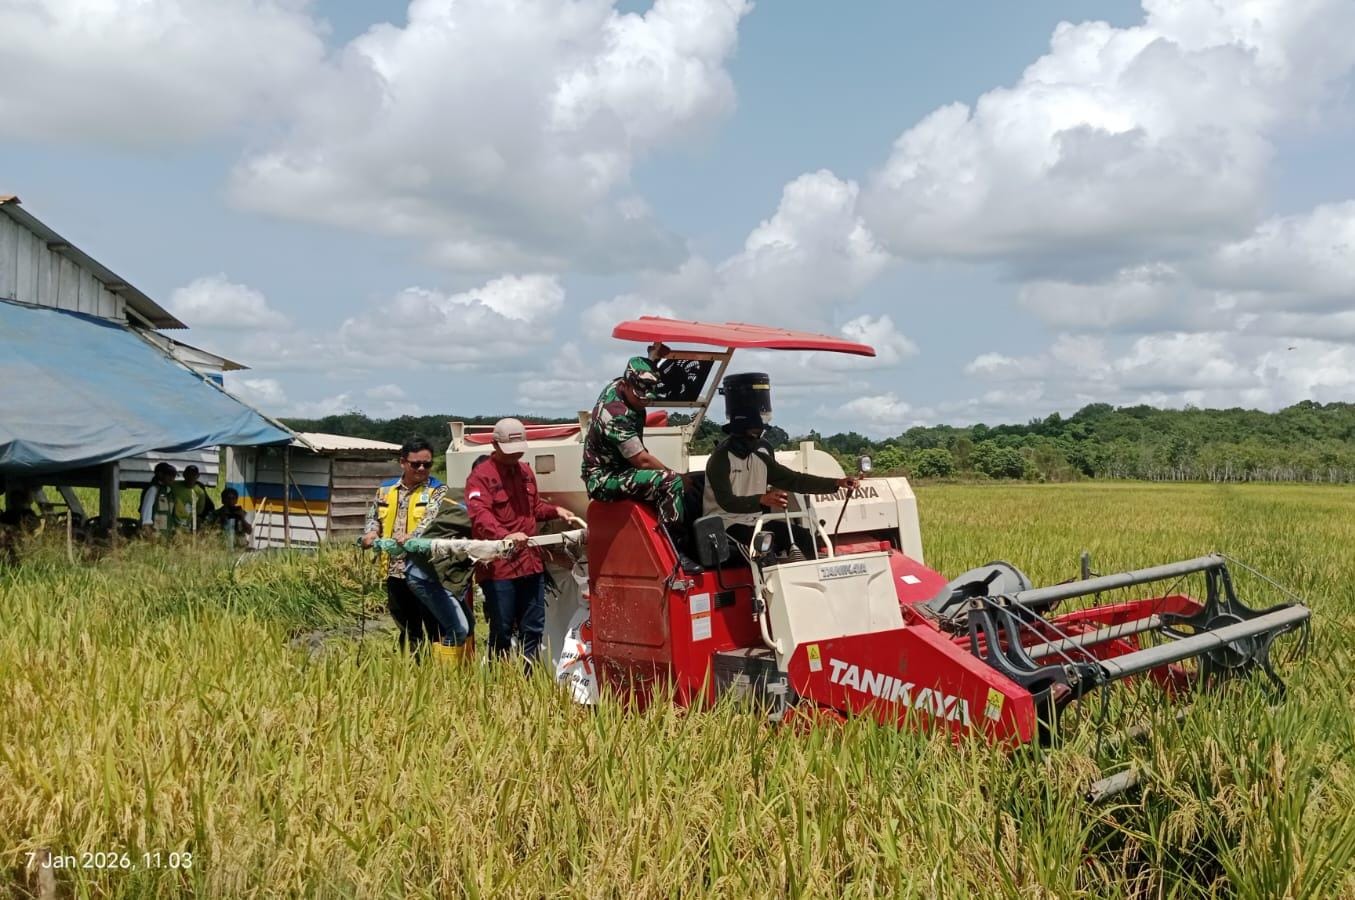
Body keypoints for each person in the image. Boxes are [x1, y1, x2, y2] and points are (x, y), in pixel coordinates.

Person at [466, 418, 580, 668]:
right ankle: (498, 677)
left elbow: (534, 508)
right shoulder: (481, 477)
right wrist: (504, 535)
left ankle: (529, 676)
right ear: (495, 444)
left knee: (533, 626)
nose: (515, 455)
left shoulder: (526, 472)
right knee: (503, 626)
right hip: (499, 567)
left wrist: (556, 511)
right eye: (509, 451)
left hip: (530, 563)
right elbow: (479, 515)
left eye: (519, 450)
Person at [361, 436, 470, 659]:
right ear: (403, 462)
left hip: (427, 573)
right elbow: (374, 517)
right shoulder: (385, 490)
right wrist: (371, 533)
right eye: (416, 464)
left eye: (427, 464)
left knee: (436, 627)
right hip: (394, 570)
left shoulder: (438, 491)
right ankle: (412, 671)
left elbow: (431, 521)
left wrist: (412, 536)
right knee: (407, 627)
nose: (422, 468)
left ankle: (439, 674)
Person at [704, 413, 860, 560]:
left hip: (756, 521)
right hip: (725, 523)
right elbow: (726, 502)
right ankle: (767, 587)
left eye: (760, 434)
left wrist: (836, 483)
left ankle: (814, 581)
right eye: (753, 433)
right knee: (763, 548)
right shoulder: (720, 460)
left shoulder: (761, 460)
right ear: (738, 433)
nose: (757, 438)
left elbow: (795, 480)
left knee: (803, 537)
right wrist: (762, 499)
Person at [581, 353, 686, 525]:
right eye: (639, 397)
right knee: (671, 482)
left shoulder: (623, 385)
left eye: (648, 399)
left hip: (624, 469)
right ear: (625, 385)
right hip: (604, 479)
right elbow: (642, 461)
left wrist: (653, 357)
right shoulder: (615, 415)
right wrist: (678, 477)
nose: (643, 402)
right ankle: (674, 544)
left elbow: (642, 373)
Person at [139, 462, 177, 537]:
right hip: (154, 533)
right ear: (160, 474)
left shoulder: (168, 491)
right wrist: (147, 527)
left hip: (165, 533)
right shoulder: (153, 489)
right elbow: (147, 509)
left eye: (174, 475)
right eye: (169, 475)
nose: (172, 478)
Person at [172, 465, 215, 532]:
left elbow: (199, 513)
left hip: (188, 527)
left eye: (193, 475)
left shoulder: (200, 492)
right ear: (184, 475)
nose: (191, 477)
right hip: (173, 526)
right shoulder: (174, 486)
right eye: (188, 474)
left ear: (198, 476)